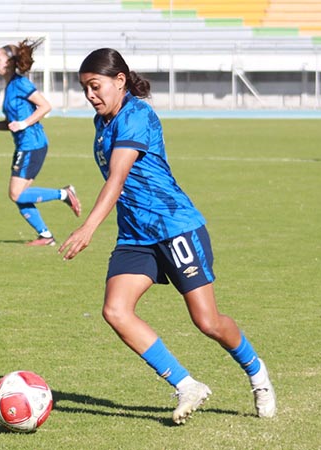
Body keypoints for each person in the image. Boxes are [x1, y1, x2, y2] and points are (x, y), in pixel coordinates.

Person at [59, 48, 276, 424]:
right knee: (115, 310)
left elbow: (117, 177)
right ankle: (186, 384)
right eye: (85, 89)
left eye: (96, 86)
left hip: (175, 226)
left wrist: (88, 227)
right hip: (135, 235)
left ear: (120, 81)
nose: (91, 96)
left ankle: (257, 373)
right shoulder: (102, 123)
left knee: (207, 321)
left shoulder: (137, 115)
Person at [0, 39, 81, 246]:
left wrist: (24, 124)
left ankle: (64, 194)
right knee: (20, 195)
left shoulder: (21, 83)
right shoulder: (10, 86)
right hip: (24, 145)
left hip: (33, 144)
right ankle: (45, 236)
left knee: (16, 193)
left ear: (9, 62)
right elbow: (11, 123)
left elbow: (45, 106)